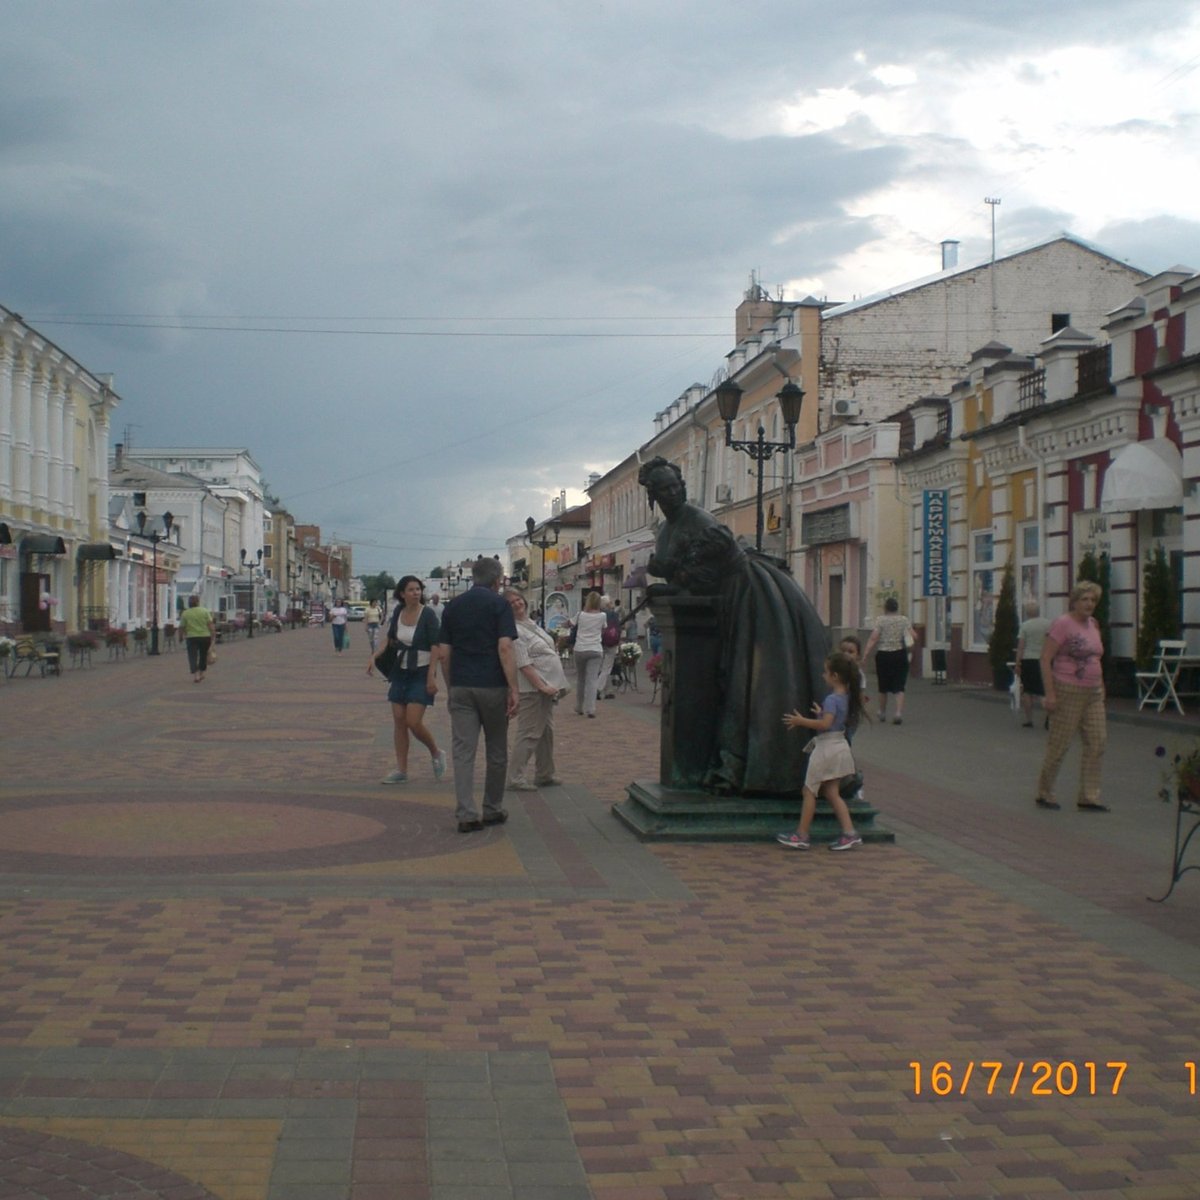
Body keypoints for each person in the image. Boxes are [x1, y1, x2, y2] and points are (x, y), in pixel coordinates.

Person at [638, 456, 828, 793]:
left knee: (750, 680)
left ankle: (743, 763)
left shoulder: (700, 522)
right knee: (735, 683)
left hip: (747, 599)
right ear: (652, 496)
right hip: (720, 606)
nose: (672, 493)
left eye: (676, 486)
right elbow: (687, 576)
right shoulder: (667, 529)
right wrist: (667, 580)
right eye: (664, 490)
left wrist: (669, 576)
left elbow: (704, 576)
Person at [432, 557, 519, 833]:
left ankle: (467, 813)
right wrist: (513, 687)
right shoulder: (500, 605)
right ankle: (492, 808)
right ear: (497, 580)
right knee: (496, 750)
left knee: (463, 751)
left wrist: (451, 685)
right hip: (493, 685)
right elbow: (505, 648)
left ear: (472, 577)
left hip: (461, 686)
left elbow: (444, 653)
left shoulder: (453, 607)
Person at [776, 652, 865, 851]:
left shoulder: (833, 699)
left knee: (809, 790)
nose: (823, 676)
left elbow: (825, 724)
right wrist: (821, 713)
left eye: (825, 672)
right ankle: (849, 832)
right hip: (839, 745)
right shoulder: (846, 697)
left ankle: (802, 834)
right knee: (832, 792)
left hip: (827, 748)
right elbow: (833, 721)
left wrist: (801, 721)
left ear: (835, 676)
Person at [1035, 581, 1109, 812]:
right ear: (1074, 601)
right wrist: (1050, 693)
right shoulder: (1063, 624)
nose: (1089, 604)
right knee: (1060, 743)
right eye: (1084, 599)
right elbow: (1045, 658)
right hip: (1067, 689)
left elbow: (1097, 657)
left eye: (1093, 600)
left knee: (1097, 742)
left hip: (1093, 692)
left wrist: (1102, 685)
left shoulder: (1093, 624)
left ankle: (1089, 796)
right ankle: (1045, 792)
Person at [366, 576, 447, 785]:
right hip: (400, 672)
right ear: (402, 593)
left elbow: (436, 646)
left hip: (421, 672)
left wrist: (431, 677)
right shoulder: (398, 612)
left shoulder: (427, 614)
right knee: (399, 720)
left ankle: (436, 752)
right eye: (411, 590)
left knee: (413, 721)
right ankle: (401, 769)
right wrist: (374, 656)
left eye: (418, 589)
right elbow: (390, 638)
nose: (416, 593)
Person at [504, 588, 568, 790]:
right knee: (529, 732)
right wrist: (542, 686)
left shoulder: (531, 624)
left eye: (518, 599)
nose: (517, 604)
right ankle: (516, 777)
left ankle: (545, 773)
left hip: (548, 685)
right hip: (532, 689)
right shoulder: (513, 631)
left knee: (546, 731)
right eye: (511, 602)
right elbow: (524, 664)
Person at [863, 596, 917, 724]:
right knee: (899, 685)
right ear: (896, 608)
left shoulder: (880, 620)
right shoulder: (903, 620)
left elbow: (873, 638)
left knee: (883, 686)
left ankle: (882, 712)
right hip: (899, 655)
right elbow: (914, 635)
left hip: (883, 656)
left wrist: (865, 654)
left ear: (885, 608)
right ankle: (898, 713)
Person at [569, 591, 607, 718]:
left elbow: (570, 623)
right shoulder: (602, 616)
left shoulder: (580, 615)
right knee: (592, 680)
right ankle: (590, 709)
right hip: (595, 649)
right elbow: (604, 628)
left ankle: (579, 706)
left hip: (580, 648)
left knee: (581, 679)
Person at [1016, 601, 1052, 728]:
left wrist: (1018, 662)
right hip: (1045, 659)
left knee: (1028, 691)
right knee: (1045, 690)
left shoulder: (1025, 626)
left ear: (1027, 613)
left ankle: (1029, 719)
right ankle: (1049, 718)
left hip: (1028, 660)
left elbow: (1021, 646)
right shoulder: (1048, 624)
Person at [179, 594, 215, 683]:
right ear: (198, 602)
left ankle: (196, 675)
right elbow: (210, 624)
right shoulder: (204, 611)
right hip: (205, 636)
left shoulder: (185, 613)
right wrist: (213, 635)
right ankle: (201, 672)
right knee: (203, 655)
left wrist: (180, 637)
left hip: (191, 637)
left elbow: (182, 627)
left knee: (192, 656)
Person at [595, 595, 621, 702]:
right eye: (610, 602)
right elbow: (618, 628)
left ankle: (607, 691)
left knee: (601, 667)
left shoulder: (598, 614)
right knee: (607, 668)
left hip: (600, 642)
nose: (612, 604)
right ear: (607, 604)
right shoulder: (614, 614)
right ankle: (597, 688)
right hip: (612, 642)